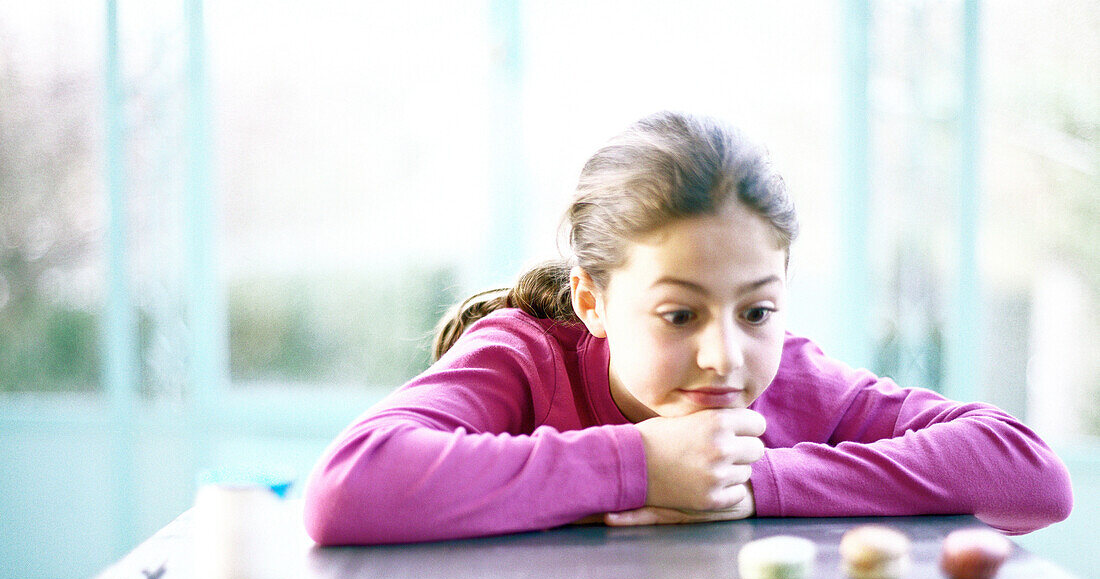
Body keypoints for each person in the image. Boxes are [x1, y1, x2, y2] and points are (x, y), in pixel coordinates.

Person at [303, 111, 1072, 545]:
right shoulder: (525, 356)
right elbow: (347, 488)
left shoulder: (798, 382)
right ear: (593, 301)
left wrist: (757, 482)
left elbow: (1032, 476)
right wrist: (637, 462)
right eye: (679, 313)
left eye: (757, 310)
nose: (725, 354)